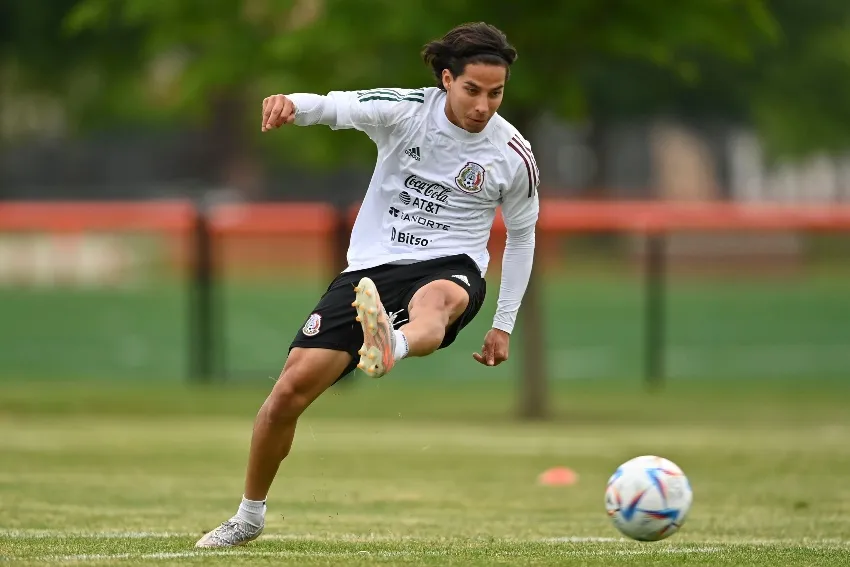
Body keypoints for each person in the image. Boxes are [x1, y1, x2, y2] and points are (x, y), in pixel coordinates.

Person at [195, 21, 539, 548]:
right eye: (473, 90)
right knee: (286, 394)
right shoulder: (405, 111)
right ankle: (248, 516)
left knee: (435, 302)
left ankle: (392, 345)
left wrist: (503, 325)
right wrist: (291, 102)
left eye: (496, 93)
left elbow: (521, 238)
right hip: (370, 272)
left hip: (452, 264)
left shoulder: (512, 154)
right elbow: (337, 106)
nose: (484, 105)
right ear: (447, 79)